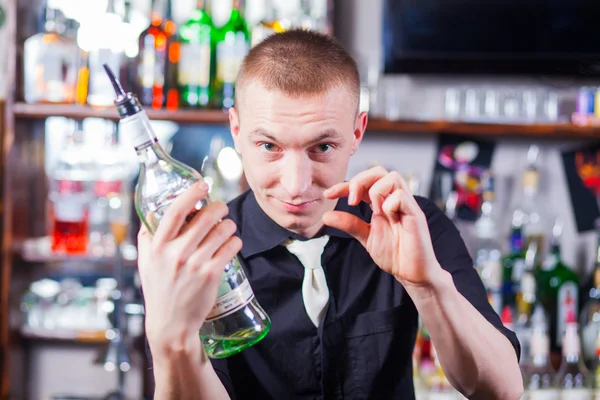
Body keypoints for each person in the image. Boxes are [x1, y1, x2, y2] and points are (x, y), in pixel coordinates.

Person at [137, 29, 523, 400]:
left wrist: (428, 285)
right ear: (236, 130)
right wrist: (170, 336)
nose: (296, 185)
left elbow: (501, 391)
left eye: (322, 147)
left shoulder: (412, 225)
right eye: (269, 145)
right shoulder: (201, 255)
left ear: (357, 133)